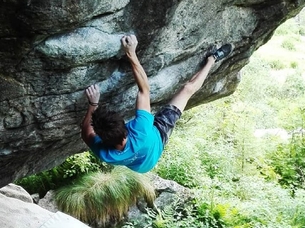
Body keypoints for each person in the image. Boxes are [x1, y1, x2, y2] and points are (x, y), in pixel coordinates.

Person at [81, 35, 232, 173]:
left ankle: (212, 59)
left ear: (102, 138)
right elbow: (144, 90)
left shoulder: (106, 154)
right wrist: (131, 53)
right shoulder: (141, 129)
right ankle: (212, 59)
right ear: (127, 128)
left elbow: (86, 132)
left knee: (184, 92)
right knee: (187, 89)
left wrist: (93, 104)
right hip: (159, 135)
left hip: (144, 166)